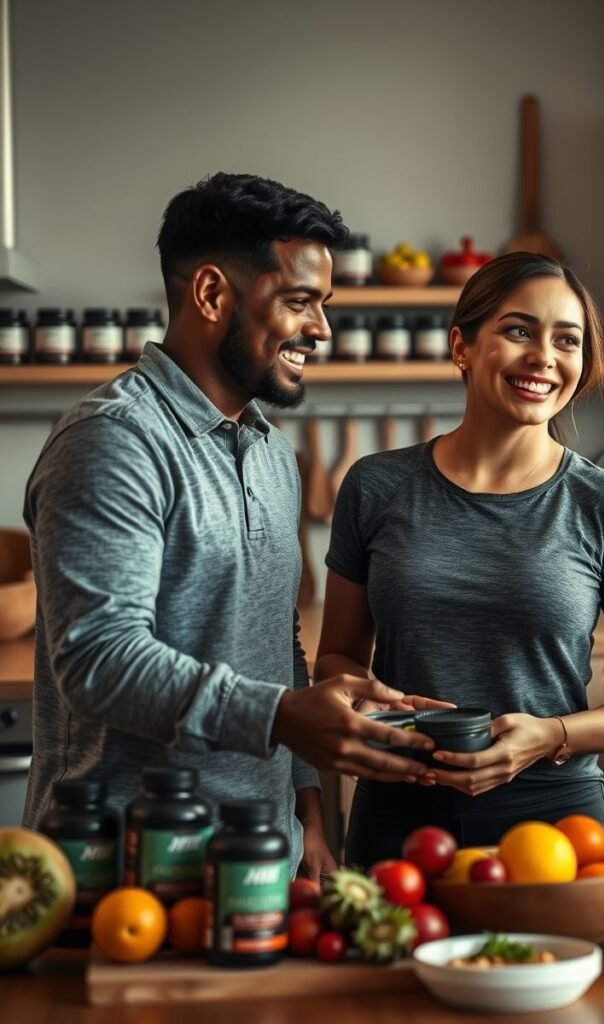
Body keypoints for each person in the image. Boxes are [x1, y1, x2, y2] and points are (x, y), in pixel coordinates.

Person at [22, 173, 442, 882]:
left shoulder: (272, 451)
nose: (322, 329)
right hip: (122, 866)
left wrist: (307, 806)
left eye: (324, 305)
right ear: (213, 295)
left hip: (258, 859)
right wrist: (282, 715)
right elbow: (100, 658)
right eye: (300, 302)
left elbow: (277, 645)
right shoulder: (114, 442)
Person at [316, 252, 604, 867]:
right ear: (462, 345)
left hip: (551, 821)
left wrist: (551, 737)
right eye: (518, 331)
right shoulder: (375, 486)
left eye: (567, 340)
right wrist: (362, 701)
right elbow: (335, 657)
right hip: (399, 814)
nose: (543, 356)